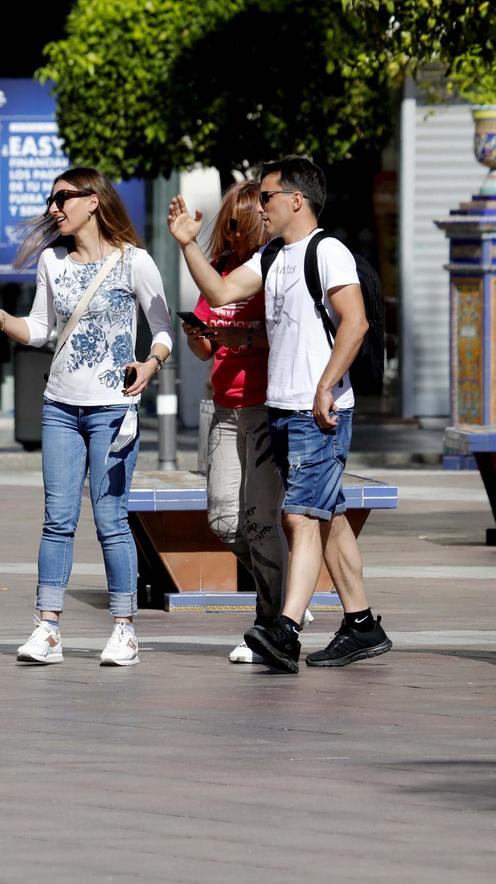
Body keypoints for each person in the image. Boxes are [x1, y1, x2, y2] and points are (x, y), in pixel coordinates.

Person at [168, 155, 391, 673]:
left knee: (299, 516)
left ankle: (285, 630)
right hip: (282, 408)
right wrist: (185, 244)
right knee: (327, 517)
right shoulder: (272, 256)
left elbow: (354, 323)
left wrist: (326, 386)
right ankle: (361, 625)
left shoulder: (327, 250)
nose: (259, 206)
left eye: (266, 197)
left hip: (320, 411)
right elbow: (220, 292)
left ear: (296, 199)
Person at [0, 167, 174, 668]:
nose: (53, 209)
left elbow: (163, 329)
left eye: (62, 198)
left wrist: (149, 364)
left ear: (93, 201)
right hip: (60, 405)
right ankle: (48, 628)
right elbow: (42, 329)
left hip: (114, 407)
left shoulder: (136, 262)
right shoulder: (53, 261)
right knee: (57, 520)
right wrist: (4, 322)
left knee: (111, 519)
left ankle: (124, 629)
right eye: (50, 200)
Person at [179, 180, 291, 663]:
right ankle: (286, 596)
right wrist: (199, 335)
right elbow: (207, 349)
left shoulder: (273, 269)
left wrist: (236, 333)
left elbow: (279, 334)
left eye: (232, 225)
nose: (225, 235)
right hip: (224, 406)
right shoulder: (221, 270)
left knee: (261, 521)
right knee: (225, 520)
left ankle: (272, 620)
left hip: (265, 404)